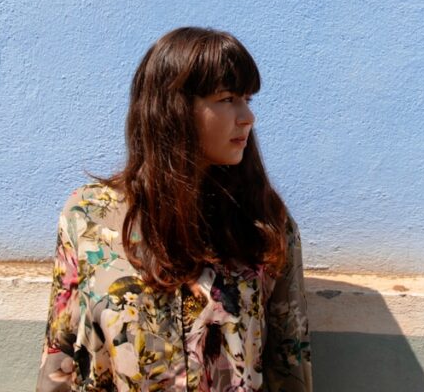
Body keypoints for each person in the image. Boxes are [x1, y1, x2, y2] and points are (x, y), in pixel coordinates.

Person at [36, 27, 312, 392]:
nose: (247, 117)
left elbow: (289, 364)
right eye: (228, 98)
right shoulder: (88, 217)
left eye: (247, 99)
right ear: (173, 108)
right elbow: (60, 353)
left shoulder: (262, 222)